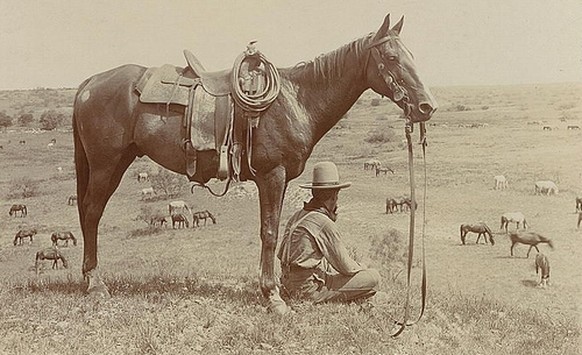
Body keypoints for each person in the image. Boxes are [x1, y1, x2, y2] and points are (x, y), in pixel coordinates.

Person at [278, 161, 381, 304]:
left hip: (286, 285)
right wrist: (362, 267)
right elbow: (345, 267)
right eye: (336, 197)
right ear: (334, 197)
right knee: (373, 277)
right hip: (308, 290)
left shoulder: (297, 216)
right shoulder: (323, 222)